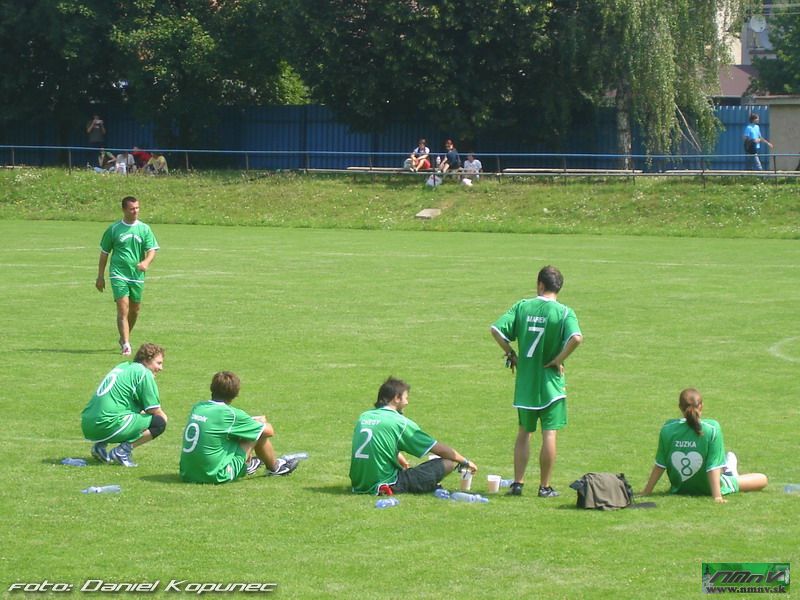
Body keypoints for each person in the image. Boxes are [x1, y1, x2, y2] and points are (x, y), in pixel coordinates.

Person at [490, 265, 583, 497]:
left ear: (540, 284)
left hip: (526, 386)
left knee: (524, 433)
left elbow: (496, 330)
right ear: (558, 287)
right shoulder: (564, 313)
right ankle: (544, 487)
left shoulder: (522, 306)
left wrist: (510, 353)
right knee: (549, 434)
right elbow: (576, 338)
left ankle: (518, 484)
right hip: (551, 386)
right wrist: (558, 359)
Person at [349, 377, 477, 495]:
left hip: (359, 484)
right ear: (397, 398)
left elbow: (377, 444)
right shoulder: (399, 422)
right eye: (406, 398)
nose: (407, 402)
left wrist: (403, 462)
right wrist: (465, 461)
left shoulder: (364, 417)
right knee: (448, 463)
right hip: (386, 484)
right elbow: (438, 449)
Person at [640, 388, 768, 503]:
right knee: (762, 479)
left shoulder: (668, 428)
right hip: (712, 487)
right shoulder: (712, 428)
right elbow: (713, 466)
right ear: (701, 406)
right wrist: (717, 496)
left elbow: (660, 464)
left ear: (680, 407)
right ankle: (729, 471)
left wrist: (647, 491)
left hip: (681, 489)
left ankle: (726, 468)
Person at [179, 371, 301, 484]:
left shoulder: (198, 407)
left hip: (187, 473)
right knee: (257, 432)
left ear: (212, 388)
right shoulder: (231, 414)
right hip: (216, 475)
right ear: (236, 393)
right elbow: (269, 431)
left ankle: (249, 463)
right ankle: (275, 468)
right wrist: (260, 422)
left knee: (242, 431)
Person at [81, 343, 168, 467]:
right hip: (106, 425)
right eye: (158, 363)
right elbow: (154, 410)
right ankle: (122, 451)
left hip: (88, 424)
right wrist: (164, 421)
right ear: (146, 360)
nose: (161, 368)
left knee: (131, 413)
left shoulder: (123, 367)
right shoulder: (143, 373)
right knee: (159, 422)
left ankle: (99, 447)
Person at [96, 196, 159, 356]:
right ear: (124, 210)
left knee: (135, 310)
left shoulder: (144, 229)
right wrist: (100, 276)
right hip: (118, 274)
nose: (135, 211)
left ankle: (124, 336)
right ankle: (126, 344)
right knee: (123, 308)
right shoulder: (114, 229)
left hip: (136, 275)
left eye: (137, 208)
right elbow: (104, 253)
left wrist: (146, 262)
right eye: (132, 209)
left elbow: (152, 250)